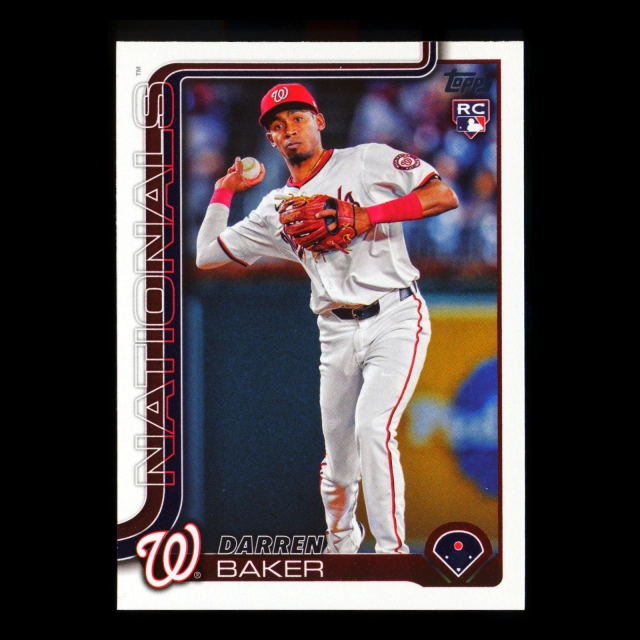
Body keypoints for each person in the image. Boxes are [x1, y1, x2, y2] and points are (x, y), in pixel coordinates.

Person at [196, 83, 459, 554]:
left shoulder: (367, 159)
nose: (289, 130)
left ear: (319, 120)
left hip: (395, 314)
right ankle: (340, 549)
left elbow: (443, 195)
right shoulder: (275, 208)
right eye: (278, 126)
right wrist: (222, 191)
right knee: (338, 465)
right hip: (335, 332)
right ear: (271, 140)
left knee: (373, 429)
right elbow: (207, 255)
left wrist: (365, 216)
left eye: (298, 118)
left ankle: (391, 555)